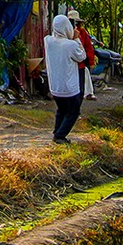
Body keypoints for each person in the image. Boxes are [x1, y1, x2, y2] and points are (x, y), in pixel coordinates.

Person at [45, 14, 89, 144]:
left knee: (62, 109)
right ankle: (60, 135)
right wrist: (76, 39)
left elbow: (54, 38)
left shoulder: (48, 41)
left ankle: (56, 133)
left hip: (55, 86)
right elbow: (82, 56)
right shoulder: (70, 45)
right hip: (69, 87)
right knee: (73, 111)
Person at [67, 8, 99, 98]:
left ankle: (87, 94)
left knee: (81, 84)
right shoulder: (65, 33)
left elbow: (88, 47)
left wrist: (91, 61)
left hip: (80, 62)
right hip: (68, 64)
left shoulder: (82, 32)